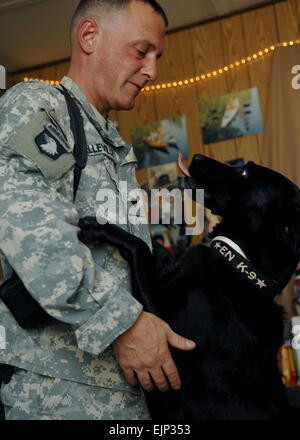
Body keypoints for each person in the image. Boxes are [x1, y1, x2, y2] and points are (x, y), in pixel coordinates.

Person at [0, 0, 196, 420]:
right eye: (141, 51)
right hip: (62, 397)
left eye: (157, 56)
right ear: (89, 36)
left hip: (125, 394)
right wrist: (122, 323)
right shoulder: (40, 106)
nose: (152, 70)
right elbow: (28, 228)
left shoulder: (110, 142)